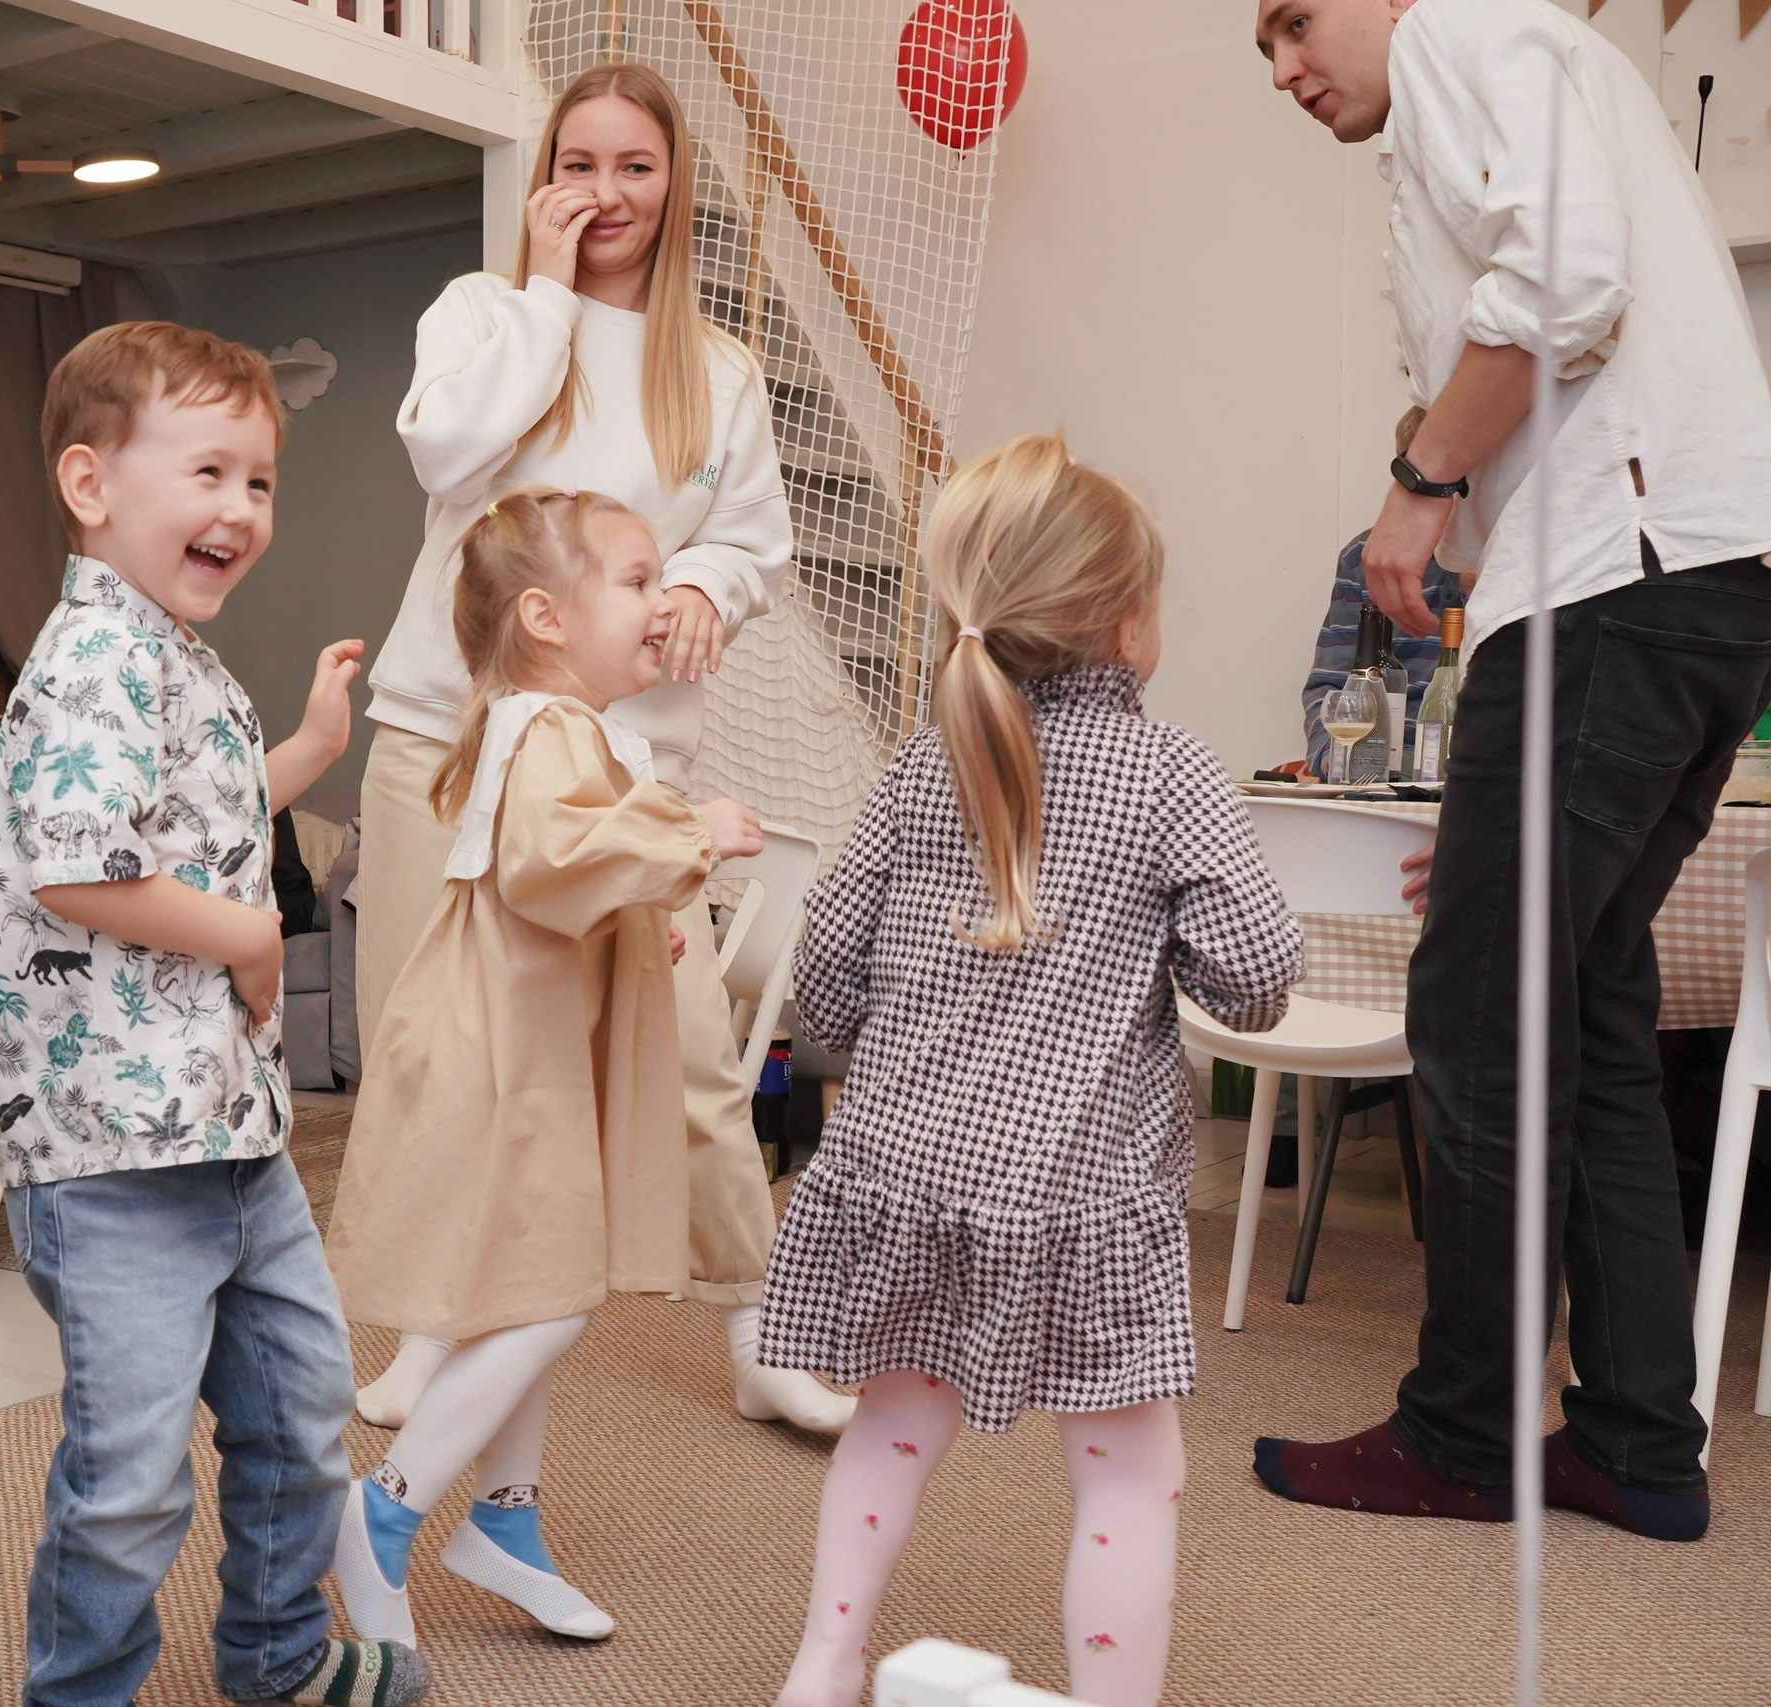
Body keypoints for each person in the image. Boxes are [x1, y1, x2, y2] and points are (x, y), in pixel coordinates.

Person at [1250, 0, 1771, 1542]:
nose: (1282, 71)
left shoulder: (1472, 38)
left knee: (1480, 1014)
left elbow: (1566, 284)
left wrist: (1412, 491)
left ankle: (1463, 1433)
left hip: (1625, 573)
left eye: (1291, 26)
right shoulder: (1473, 93)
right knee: (1592, 1010)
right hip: (1694, 586)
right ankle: (1637, 1444)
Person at [757, 437, 1303, 1707]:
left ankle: (822, 1669)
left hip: (905, 1166)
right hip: (1080, 1190)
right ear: (1124, 624)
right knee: (1127, 1473)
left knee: (894, 1424)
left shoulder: (919, 759)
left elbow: (823, 969)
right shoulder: (1169, 773)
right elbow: (1256, 976)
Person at [352, 60, 848, 1435]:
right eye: (579, 164)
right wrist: (549, 298)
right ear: (544, 181)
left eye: (635, 165)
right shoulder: (484, 315)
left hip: (631, 757)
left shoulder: (724, 367)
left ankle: (762, 1328)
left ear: (675, 180)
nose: (606, 192)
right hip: (445, 742)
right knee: (439, 1050)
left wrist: (706, 587)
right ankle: (427, 1324)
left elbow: (754, 538)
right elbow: (448, 457)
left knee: (693, 1051)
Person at [0, 322, 423, 1707]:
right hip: (117, 1154)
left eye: (261, 481)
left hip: (230, 1127)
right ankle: (83, 1688)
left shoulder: (168, 653)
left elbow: (185, 822)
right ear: (92, 485)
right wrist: (245, 929)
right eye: (210, 471)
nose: (240, 508)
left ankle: (280, 1651)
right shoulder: (92, 657)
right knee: (128, 1470)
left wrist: (304, 751)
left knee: (299, 1414)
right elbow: (76, 860)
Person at [326, 486, 766, 1650]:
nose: (659, 603)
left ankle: (507, 1522)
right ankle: (390, 1503)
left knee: (534, 1280)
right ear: (545, 617)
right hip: (502, 1057)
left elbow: (562, 875)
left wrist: (639, 910)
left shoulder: (558, 727)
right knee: (547, 1300)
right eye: (634, 581)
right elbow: (552, 857)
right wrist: (691, 836)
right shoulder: (550, 726)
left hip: (525, 1047)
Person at [1300, 407, 1461, 779]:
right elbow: (1330, 688)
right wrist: (1336, 764)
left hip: (1481, 782)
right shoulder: (1366, 559)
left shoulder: (1526, 564)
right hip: (1378, 776)